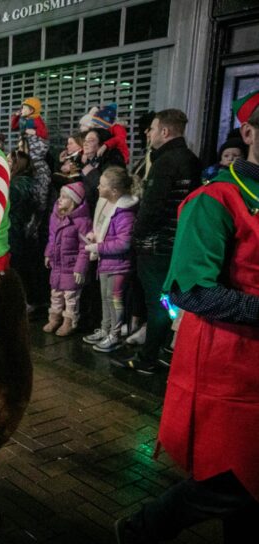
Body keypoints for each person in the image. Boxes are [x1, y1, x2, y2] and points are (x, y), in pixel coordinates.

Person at [114, 90, 259, 544]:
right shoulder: (216, 199)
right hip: (232, 369)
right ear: (250, 133)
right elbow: (190, 291)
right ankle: (141, 528)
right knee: (234, 481)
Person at [115, 109, 201, 374]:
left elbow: (152, 208)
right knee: (169, 301)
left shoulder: (165, 162)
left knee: (159, 302)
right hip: (177, 246)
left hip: (155, 249)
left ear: (165, 131)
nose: (148, 133)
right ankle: (164, 350)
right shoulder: (191, 160)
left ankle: (148, 358)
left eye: (151, 129)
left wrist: (137, 236)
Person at [82, 167, 138, 352]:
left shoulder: (125, 213)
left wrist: (98, 247)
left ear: (114, 191)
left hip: (118, 265)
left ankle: (115, 334)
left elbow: (124, 243)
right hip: (107, 263)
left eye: (102, 185)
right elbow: (104, 231)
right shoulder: (110, 206)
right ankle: (106, 329)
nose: (98, 187)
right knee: (106, 299)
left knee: (115, 300)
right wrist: (94, 236)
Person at [43, 181, 91, 336]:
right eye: (60, 196)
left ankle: (69, 321)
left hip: (71, 266)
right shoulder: (55, 216)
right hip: (57, 264)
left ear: (74, 201)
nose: (59, 200)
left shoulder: (82, 221)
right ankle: (54, 318)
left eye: (64, 197)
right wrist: (48, 253)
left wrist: (80, 268)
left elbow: (85, 246)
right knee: (55, 292)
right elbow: (52, 237)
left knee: (71, 296)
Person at [7, 150, 41, 311]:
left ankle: (24, 301)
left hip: (13, 229)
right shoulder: (30, 182)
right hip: (24, 229)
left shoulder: (15, 185)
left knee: (16, 267)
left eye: (9, 161)